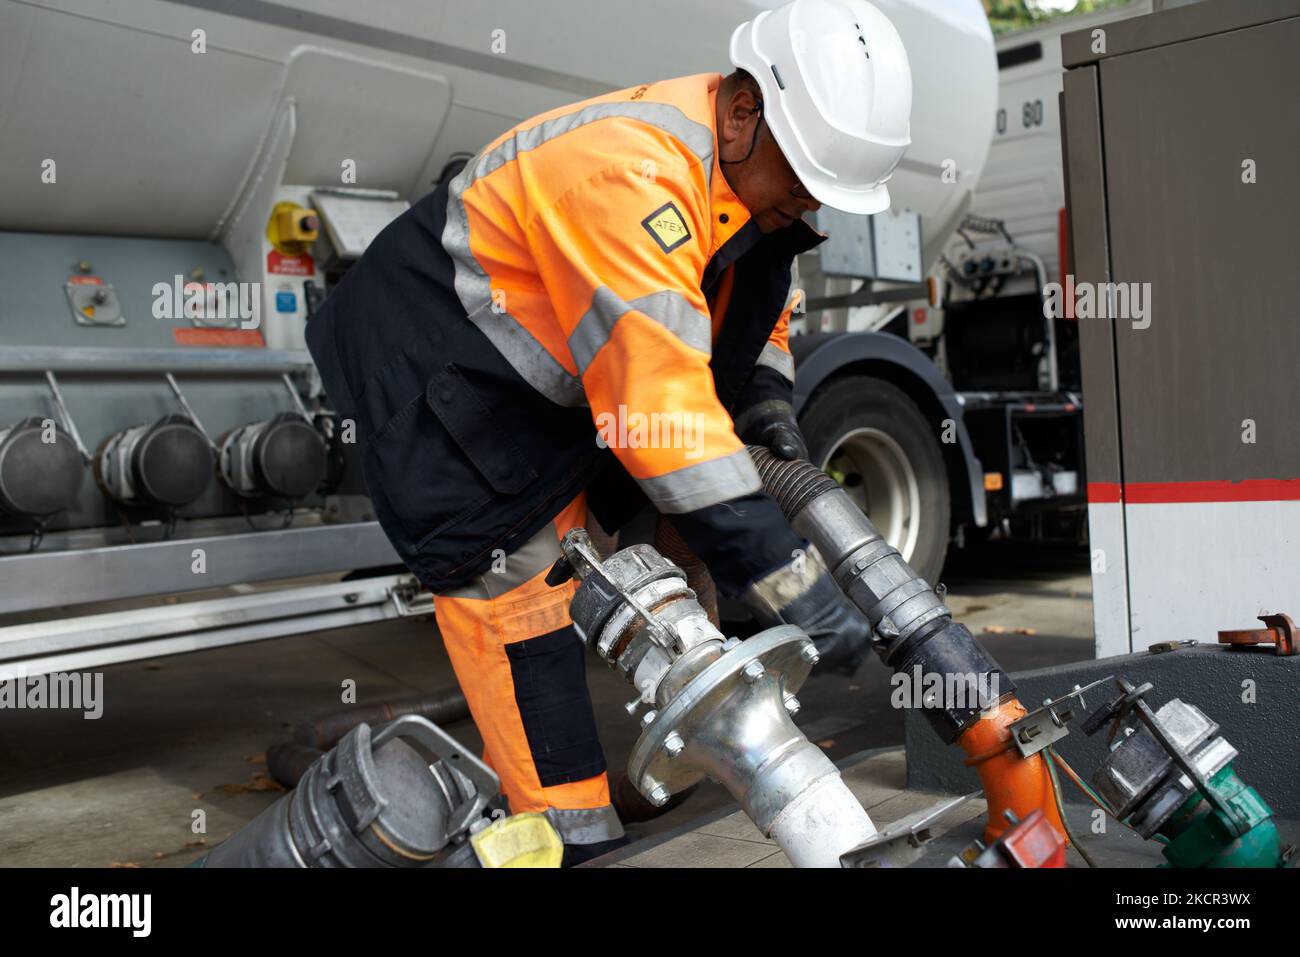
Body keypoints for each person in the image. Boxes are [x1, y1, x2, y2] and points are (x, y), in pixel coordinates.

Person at [307, 0, 915, 864]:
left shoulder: (751, 185)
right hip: (437, 381)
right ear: (745, 112)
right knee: (524, 605)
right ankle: (563, 839)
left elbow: (757, 309)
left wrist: (768, 401)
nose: (808, 204)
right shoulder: (630, 174)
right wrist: (789, 578)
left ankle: (627, 788)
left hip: (546, 386)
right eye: (804, 180)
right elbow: (658, 406)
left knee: (676, 554)